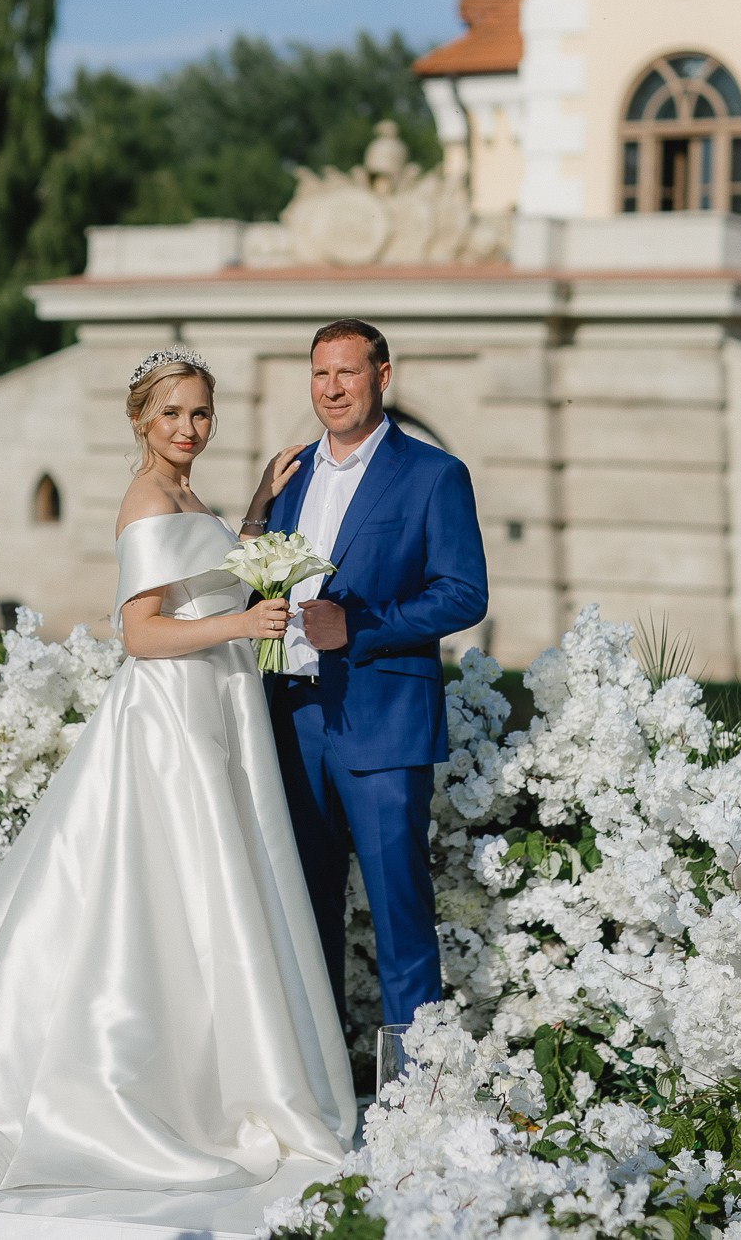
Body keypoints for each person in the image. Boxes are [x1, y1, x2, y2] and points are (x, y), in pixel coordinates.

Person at [0, 347, 355, 1191]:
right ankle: (141, 1086)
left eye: (201, 413)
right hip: (170, 717)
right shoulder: (145, 500)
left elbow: (202, 583)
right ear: (141, 419)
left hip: (215, 704)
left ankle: (222, 1070)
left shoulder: (187, 495)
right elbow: (140, 635)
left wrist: (252, 514)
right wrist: (243, 629)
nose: (188, 428)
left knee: (214, 887)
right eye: (172, 413)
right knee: (163, 889)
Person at [241, 319, 488, 1030]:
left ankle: (414, 1105)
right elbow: (259, 581)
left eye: (347, 372)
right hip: (292, 720)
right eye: (320, 374)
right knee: (302, 914)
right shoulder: (290, 476)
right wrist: (257, 512)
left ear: (383, 376)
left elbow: (463, 591)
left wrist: (363, 625)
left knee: (400, 920)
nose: (332, 388)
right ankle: (318, 1089)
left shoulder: (436, 474)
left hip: (384, 724)